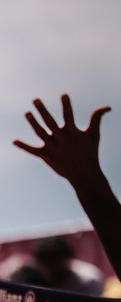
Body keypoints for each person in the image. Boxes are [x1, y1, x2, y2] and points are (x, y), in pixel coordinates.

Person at [14, 94, 121, 281]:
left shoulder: (88, 281)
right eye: (47, 258)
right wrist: (86, 179)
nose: (53, 264)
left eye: (56, 257)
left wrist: (87, 179)